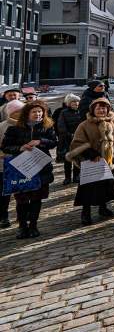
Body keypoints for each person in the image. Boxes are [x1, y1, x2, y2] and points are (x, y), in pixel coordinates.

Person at [1, 100, 57, 239]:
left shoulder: (47, 127)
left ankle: (33, 225)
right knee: (22, 199)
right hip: (21, 168)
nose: (38, 114)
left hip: (40, 167)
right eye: (34, 112)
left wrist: (41, 141)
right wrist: (20, 147)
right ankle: (22, 226)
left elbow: (54, 142)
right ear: (27, 113)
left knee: (36, 199)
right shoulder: (14, 128)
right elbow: (5, 147)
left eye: (40, 112)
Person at [68, 97, 114, 224]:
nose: (101, 110)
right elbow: (77, 143)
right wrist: (91, 154)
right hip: (92, 161)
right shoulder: (84, 125)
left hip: (109, 161)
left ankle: (103, 208)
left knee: (106, 186)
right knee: (88, 188)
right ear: (93, 110)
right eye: (98, 108)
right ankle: (85, 213)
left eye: (104, 108)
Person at [0, 100, 25, 228]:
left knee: (22, 192)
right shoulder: (2, 126)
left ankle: (21, 217)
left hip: (23, 165)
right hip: (4, 165)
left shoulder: (27, 125)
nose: (19, 114)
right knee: (4, 193)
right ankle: (3, 216)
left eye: (21, 111)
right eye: (16, 112)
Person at [54, 94, 81, 185]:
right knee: (67, 160)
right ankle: (67, 177)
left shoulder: (81, 112)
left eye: (77, 102)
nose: (76, 103)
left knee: (77, 158)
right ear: (69, 103)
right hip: (66, 140)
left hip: (78, 139)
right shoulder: (63, 112)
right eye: (73, 102)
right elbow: (61, 126)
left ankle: (76, 176)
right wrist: (69, 134)